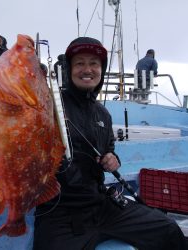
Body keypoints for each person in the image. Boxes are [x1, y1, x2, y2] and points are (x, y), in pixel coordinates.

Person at [33, 37, 187, 250]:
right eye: (79, 63)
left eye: (94, 63)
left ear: (101, 70)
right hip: (59, 211)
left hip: (101, 204)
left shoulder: (103, 114)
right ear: (69, 70)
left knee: (168, 229)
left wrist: (112, 159)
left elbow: (109, 149)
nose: (87, 69)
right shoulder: (47, 105)